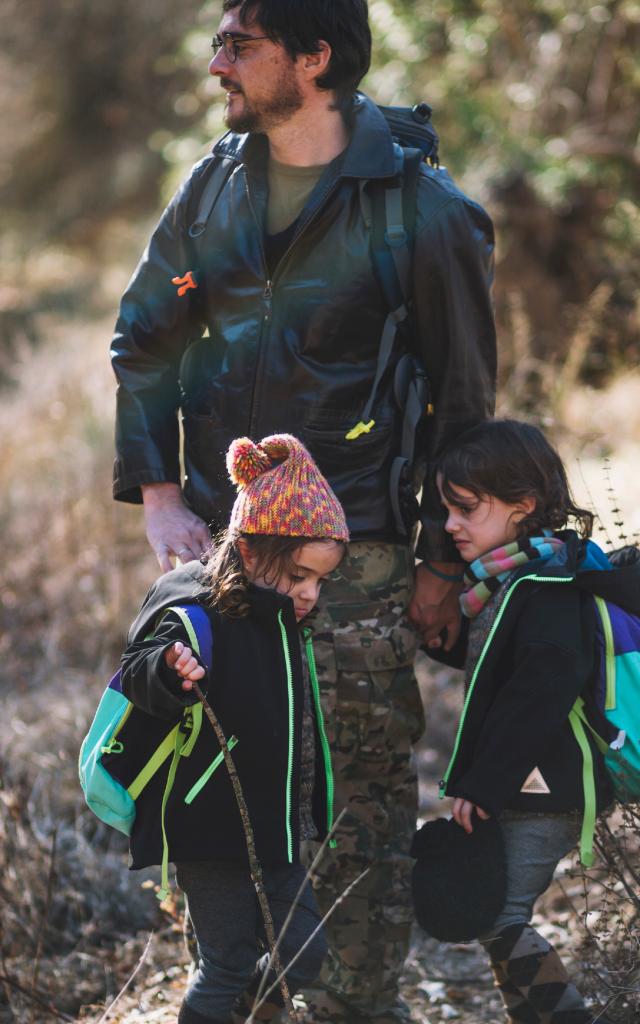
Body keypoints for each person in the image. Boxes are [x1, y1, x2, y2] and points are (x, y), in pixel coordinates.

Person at [110, 1, 496, 1019]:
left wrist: (439, 564)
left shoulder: (423, 210)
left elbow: (464, 403)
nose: (214, 65)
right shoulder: (210, 187)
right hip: (223, 569)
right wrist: (158, 498)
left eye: (240, 45)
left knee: (357, 819)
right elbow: (144, 341)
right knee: (230, 806)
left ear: (315, 58)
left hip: (355, 563)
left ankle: (359, 1007)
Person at [118, 433, 349, 1024]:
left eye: (321, 581)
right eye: (300, 575)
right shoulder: (196, 608)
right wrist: (170, 671)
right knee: (226, 963)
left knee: (305, 954)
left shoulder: (282, 620)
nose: (309, 594)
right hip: (208, 829)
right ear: (250, 552)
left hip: (277, 829)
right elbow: (136, 673)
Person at [430, 419, 638, 1024]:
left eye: (466, 509)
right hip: (531, 780)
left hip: (542, 783)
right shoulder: (521, 578)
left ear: (524, 504)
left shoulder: (543, 585)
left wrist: (483, 785)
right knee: (503, 923)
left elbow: (541, 689)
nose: (450, 526)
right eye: (447, 509)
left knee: (501, 919)